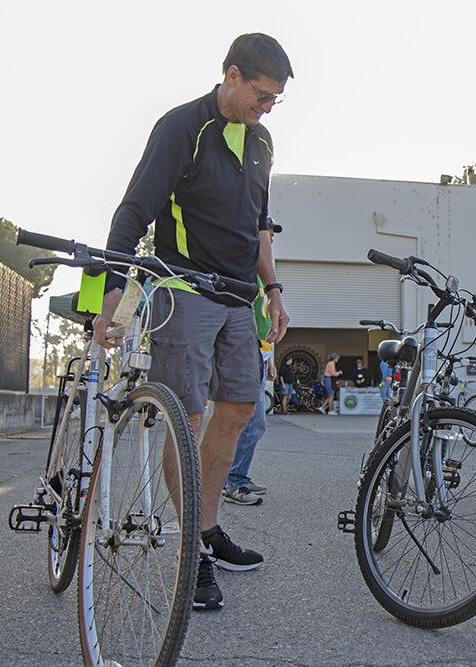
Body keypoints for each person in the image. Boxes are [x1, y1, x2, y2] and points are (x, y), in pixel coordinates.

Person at [92, 33, 293, 611]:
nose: (265, 108)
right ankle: (188, 552)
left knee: (237, 412)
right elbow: (132, 211)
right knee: (189, 416)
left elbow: (260, 224)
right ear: (230, 74)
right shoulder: (182, 127)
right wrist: (110, 297)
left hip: (239, 298)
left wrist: (273, 290)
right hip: (184, 292)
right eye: (260, 94)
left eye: (275, 100)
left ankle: (206, 529)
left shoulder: (262, 142)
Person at [222, 219, 284, 506]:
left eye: (271, 237)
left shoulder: (264, 276)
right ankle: (233, 480)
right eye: (268, 235)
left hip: (260, 352)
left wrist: (269, 360)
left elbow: (263, 323)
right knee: (251, 422)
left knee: (251, 422)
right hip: (246, 350)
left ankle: (238, 476)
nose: (270, 240)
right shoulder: (246, 269)